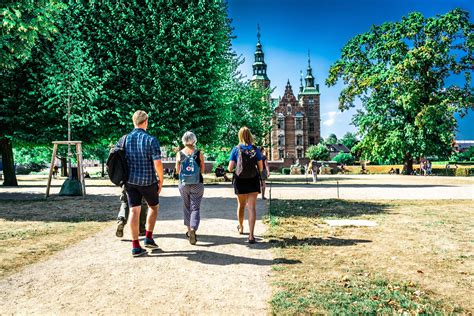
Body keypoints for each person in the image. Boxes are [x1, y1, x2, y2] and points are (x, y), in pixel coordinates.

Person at [118, 110, 163, 257]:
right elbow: (157, 163)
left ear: (134, 122)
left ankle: (135, 246)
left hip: (130, 181)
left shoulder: (124, 139)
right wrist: (161, 180)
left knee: (133, 211)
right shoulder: (151, 140)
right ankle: (149, 238)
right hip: (148, 181)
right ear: (146, 122)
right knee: (153, 207)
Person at [228, 127, 263, 244]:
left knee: (241, 205)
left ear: (240, 136)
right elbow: (261, 167)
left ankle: (241, 227)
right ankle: (251, 236)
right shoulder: (255, 149)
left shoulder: (236, 149)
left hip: (240, 180)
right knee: (252, 208)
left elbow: (230, 168)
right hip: (253, 179)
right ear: (250, 135)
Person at [175, 131, 205, 245]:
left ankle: (188, 231)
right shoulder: (199, 153)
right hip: (197, 183)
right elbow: (202, 169)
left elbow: (177, 171)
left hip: (183, 184)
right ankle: (193, 229)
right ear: (194, 140)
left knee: (186, 207)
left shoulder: (179, 153)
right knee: (195, 208)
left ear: (183, 140)